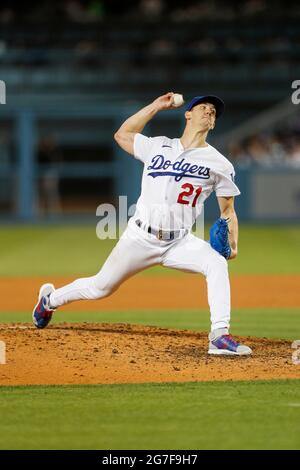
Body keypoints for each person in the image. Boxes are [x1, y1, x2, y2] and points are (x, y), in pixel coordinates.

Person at [33, 92, 252, 356]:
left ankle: (219, 335)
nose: (209, 112)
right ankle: (49, 300)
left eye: (213, 112)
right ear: (188, 114)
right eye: (203, 107)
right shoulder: (157, 145)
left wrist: (234, 245)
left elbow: (228, 210)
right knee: (101, 287)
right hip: (140, 237)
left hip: (179, 241)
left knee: (215, 263)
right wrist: (156, 106)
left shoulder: (220, 164)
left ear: (214, 123)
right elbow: (121, 135)